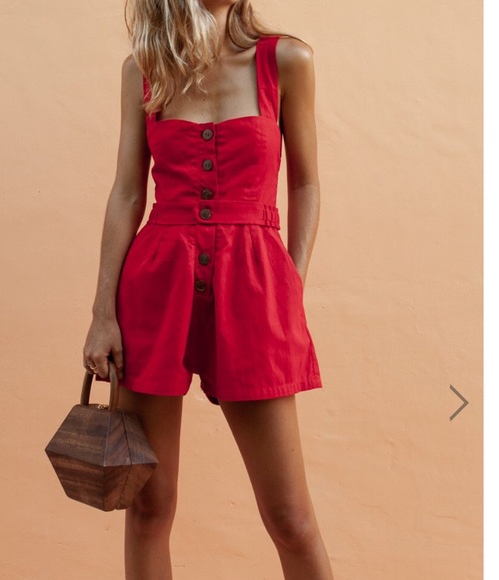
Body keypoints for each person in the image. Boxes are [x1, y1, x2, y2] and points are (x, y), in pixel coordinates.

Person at [83, 1, 334, 578]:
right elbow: (127, 192)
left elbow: (306, 182)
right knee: (148, 506)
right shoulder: (143, 69)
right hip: (155, 289)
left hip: (255, 287)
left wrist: (289, 285)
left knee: (291, 519)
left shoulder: (286, 60)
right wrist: (102, 313)